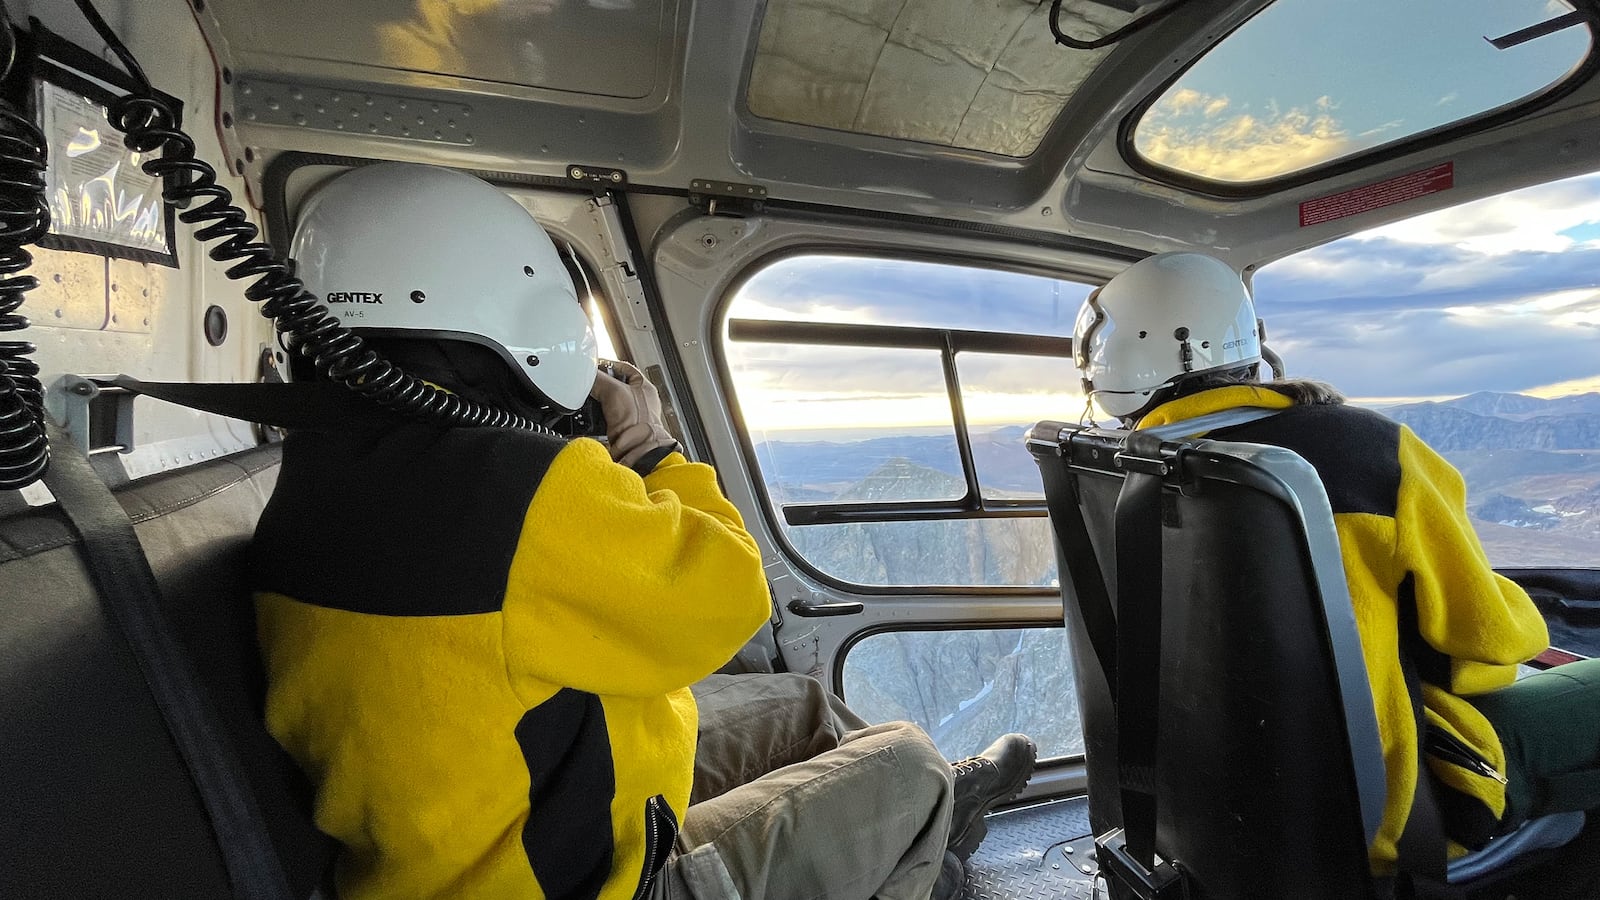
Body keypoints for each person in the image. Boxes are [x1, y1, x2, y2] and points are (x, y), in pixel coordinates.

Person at [250, 162, 1036, 900]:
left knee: (802, 704)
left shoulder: (329, 469)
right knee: (908, 763)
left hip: (511, 815)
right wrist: (653, 446)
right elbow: (734, 597)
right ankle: (933, 852)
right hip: (589, 879)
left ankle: (926, 832)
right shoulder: (509, 480)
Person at [1072, 250, 1600, 889]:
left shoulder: (1118, 471)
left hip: (1205, 812)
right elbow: (1483, 650)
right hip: (1390, 808)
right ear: (1244, 342)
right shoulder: (1365, 453)